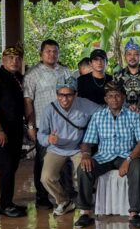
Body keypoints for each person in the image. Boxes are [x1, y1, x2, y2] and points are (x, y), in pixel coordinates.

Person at [75, 82, 140, 229]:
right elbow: (87, 142)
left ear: (123, 97)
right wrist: (86, 155)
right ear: (106, 99)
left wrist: (128, 160)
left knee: (137, 166)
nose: (114, 99)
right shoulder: (97, 117)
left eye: (117, 96)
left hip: (126, 155)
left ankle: (134, 213)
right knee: (83, 168)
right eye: (110, 96)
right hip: (104, 156)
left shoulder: (134, 116)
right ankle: (85, 212)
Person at [37, 77, 101, 216]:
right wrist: (48, 139)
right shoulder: (49, 110)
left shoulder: (85, 104)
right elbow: (40, 135)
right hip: (56, 149)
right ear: (56, 94)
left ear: (76, 94)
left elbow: (105, 111)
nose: (64, 99)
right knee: (46, 177)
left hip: (78, 148)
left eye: (69, 95)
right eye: (61, 95)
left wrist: (129, 107)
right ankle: (64, 201)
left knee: (84, 172)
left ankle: (85, 204)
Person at [24, 39, 73, 209]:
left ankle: (67, 195)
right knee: (43, 160)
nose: (52, 54)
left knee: (65, 161)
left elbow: (73, 95)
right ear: (41, 54)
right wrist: (31, 126)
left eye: (55, 51)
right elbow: (28, 101)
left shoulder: (65, 71)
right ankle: (42, 197)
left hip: (64, 125)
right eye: (48, 51)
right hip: (42, 126)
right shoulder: (32, 74)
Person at [0, 45, 27, 218]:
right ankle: (4, 205)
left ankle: (8, 202)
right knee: (7, 166)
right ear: (3, 60)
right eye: (10, 58)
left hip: (16, 129)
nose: (14, 61)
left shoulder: (18, 78)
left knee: (13, 166)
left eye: (17, 58)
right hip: (1, 130)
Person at [113, 38, 140, 122]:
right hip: (122, 118)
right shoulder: (117, 76)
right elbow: (115, 97)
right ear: (125, 57)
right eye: (129, 54)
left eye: (136, 54)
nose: (132, 57)